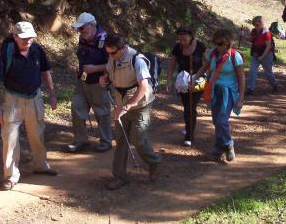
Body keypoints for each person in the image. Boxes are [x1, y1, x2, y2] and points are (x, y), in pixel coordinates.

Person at [0, 21, 58, 190]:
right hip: (12, 100)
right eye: (23, 38)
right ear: (14, 37)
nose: (27, 41)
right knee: (9, 138)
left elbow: (45, 71)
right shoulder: (7, 53)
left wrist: (52, 93)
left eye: (30, 38)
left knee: (37, 133)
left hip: (35, 97)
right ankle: (11, 176)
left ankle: (40, 165)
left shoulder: (37, 50)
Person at [100, 34, 161, 190]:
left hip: (141, 105)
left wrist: (128, 106)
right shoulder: (112, 57)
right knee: (121, 140)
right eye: (108, 53)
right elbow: (109, 73)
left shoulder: (138, 61)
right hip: (121, 104)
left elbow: (144, 87)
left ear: (123, 48)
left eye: (113, 53)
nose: (110, 56)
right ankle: (120, 176)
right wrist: (105, 78)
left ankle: (154, 163)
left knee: (138, 139)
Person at [194, 29, 245, 162]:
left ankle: (228, 145)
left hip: (228, 92)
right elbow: (204, 68)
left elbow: (241, 78)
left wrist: (241, 98)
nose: (218, 46)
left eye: (221, 43)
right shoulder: (212, 54)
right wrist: (193, 79)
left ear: (228, 42)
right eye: (215, 43)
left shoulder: (235, 56)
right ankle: (218, 148)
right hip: (214, 91)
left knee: (222, 121)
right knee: (216, 121)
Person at [67, 12, 112, 153]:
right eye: (78, 29)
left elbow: (113, 64)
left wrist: (96, 69)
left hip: (100, 82)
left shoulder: (106, 41)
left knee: (102, 111)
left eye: (82, 28)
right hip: (83, 81)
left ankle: (106, 141)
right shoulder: (83, 38)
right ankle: (80, 140)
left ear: (92, 25)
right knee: (76, 107)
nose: (80, 31)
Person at [166, 26, 207, 146]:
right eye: (180, 40)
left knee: (191, 105)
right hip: (183, 81)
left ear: (191, 37)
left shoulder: (200, 46)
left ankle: (189, 135)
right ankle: (189, 125)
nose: (182, 42)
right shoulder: (177, 48)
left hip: (198, 80)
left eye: (184, 39)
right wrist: (168, 80)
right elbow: (171, 64)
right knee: (186, 106)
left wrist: (209, 77)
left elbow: (208, 62)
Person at [245, 16, 277, 95]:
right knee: (252, 71)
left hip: (266, 55)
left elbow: (268, 47)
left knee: (268, 72)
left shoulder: (266, 33)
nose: (256, 27)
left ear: (262, 24)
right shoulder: (254, 31)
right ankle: (250, 89)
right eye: (254, 25)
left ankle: (274, 85)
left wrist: (262, 57)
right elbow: (251, 39)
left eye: (257, 25)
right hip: (256, 55)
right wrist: (242, 36)